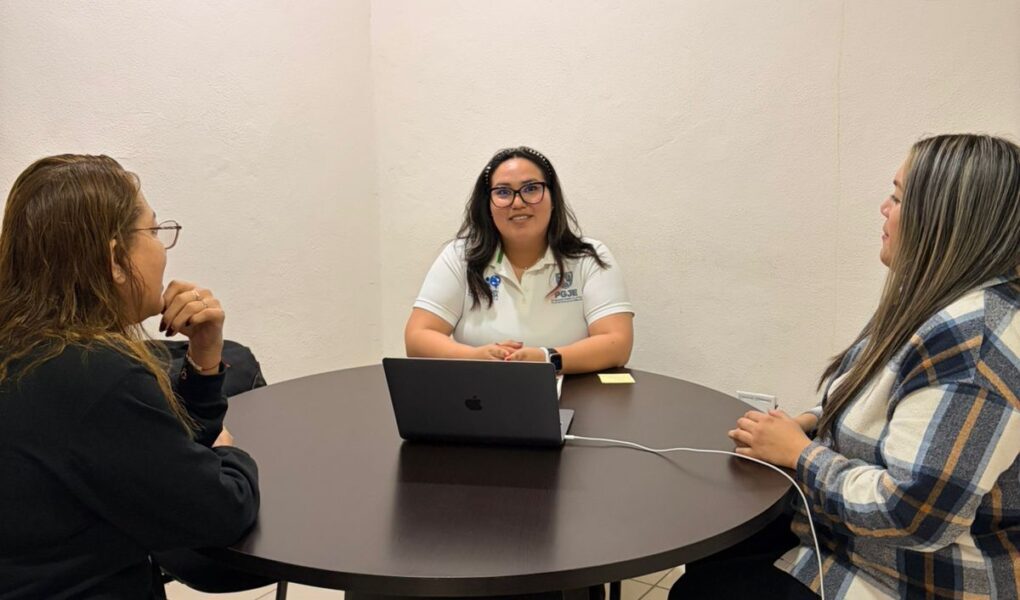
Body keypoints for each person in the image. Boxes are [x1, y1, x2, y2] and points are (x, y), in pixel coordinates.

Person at [669, 134, 1020, 599]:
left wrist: (800, 454)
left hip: (907, 578)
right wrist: (811, 422)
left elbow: (913, 517)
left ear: (944, 217)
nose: (883, 209)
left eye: (898, 197)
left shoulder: (972, 343)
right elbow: (881, 400)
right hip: (853, 541)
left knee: (703, 590)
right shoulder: (934, 304)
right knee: (715, 538)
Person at [0, 155, 263, 598]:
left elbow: (159, 453)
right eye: (154, 231)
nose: (162, 249)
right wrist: (232, 455)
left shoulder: (26, 352)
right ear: (115, 260)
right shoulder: (94, 376)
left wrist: (204, 358)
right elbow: (222, 512)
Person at [405, 146, 634, 374]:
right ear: (488, 204)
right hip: (480, 389)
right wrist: (474, 358)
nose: (517, 203)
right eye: (503, 192)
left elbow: (617, 344)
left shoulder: (588, 257)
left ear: (553, 198)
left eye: (531, 188)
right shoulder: (461, 255)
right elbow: (418, 337)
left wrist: (547, 359)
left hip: (572, 390)